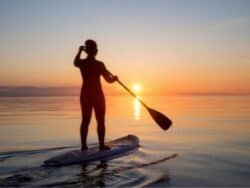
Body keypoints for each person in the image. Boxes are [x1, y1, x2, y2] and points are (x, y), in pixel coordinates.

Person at [74, 39, 118, 151]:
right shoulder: (99, 64)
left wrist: (79, 51)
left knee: (85, 121)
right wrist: (115, 79)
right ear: (96, 51)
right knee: (101, 121)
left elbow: (75, 62)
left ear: (86, 51)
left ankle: (84, 146)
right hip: (98, 96)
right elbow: (108, 80)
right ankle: (101, 145)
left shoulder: (83, 63)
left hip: (85, 95)